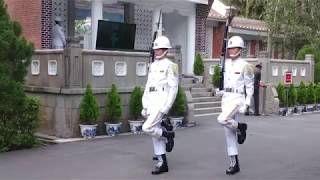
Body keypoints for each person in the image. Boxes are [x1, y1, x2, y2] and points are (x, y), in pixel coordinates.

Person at [216, 36, 254, 175]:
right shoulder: (224, 64)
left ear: (240, 49)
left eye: (235, 48)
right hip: (226, 98)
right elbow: (223, 82)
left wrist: (248, 103)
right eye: (230, 48)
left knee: (222, 119)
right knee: (228, 133)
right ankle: (234, 163)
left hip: (238, 99)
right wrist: (220, 90)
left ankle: (241, 127)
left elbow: (249, 87)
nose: (232, 50)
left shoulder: (246, 65)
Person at [141, 35, 179, 175]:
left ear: (166, 50)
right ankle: (162, 163)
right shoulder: (152, 65)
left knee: (147, 127)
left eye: (160, 49)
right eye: (155, 49)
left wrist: (167, 106)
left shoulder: (171, 66)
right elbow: (148, 86)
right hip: (151, 101)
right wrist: (144, 104)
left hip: (161, 101)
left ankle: (167, 135)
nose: (157, 51)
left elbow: (173, 88)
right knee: (153, 132)